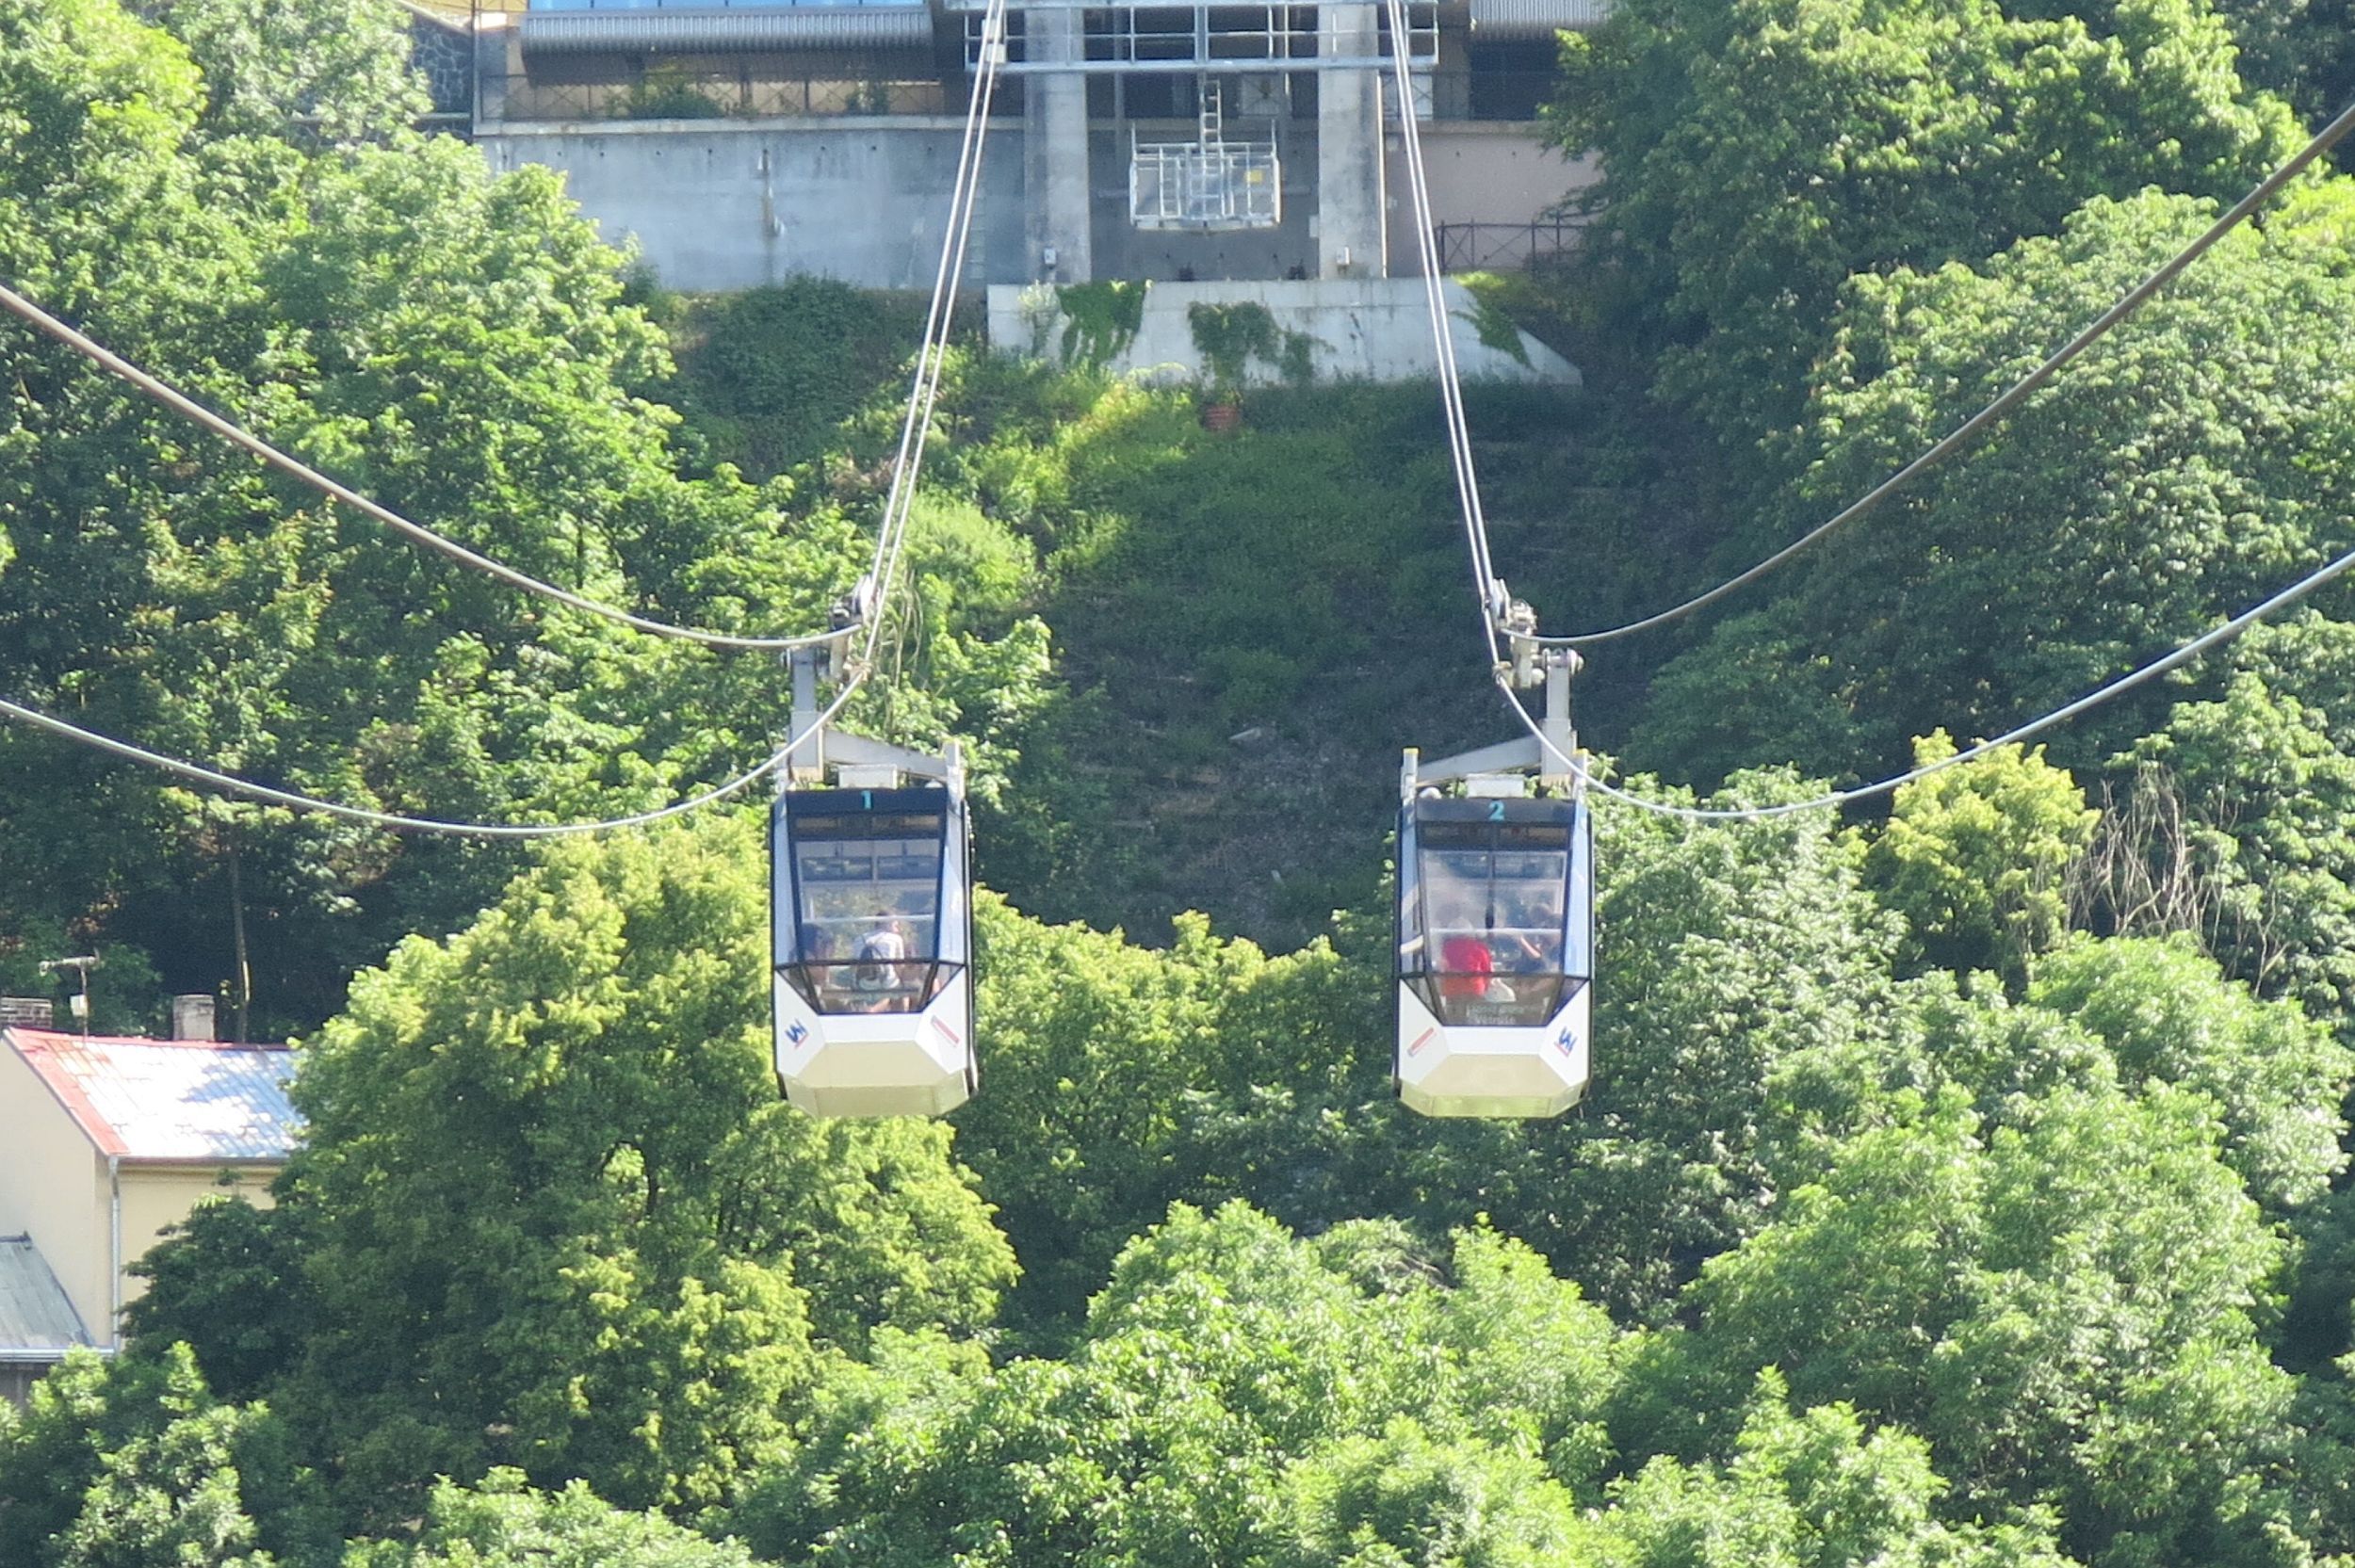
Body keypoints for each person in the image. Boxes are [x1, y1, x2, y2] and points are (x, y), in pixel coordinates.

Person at [853, 913, 911, 1010]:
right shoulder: (895, 939)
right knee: (903, 991)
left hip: (862, 984)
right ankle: (902, 1014)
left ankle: (869, 1009)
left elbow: (854, 967)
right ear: (886, 924)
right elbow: (899, 967)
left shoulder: (859, 939)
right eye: (895, 925)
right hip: (886, 983)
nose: (898, 929)